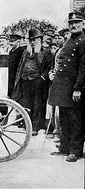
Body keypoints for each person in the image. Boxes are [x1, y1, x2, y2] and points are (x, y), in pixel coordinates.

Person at [48, 11, 85, 162]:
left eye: (77, 22)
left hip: (74, 87)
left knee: (76, 120)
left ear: (83, 24)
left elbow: (83, 67)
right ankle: (65, 148)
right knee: (64, 118)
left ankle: (75, 152)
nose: (74, 25)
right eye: (71, 23)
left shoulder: (83, 40)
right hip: (63, 86)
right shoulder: (69, 40)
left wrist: (78, 88)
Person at [12, 29, 52, 136]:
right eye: (31, 40)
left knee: (37, 104)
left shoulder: (45, 52)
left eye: (35, 40)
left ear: (40, 40)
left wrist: (42, 77)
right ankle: (27, 124)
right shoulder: (26, 52)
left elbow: (49, 66)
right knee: (26, 103)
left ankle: (36, 126)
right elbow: (21, 65)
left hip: (37, 81)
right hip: (25, 80)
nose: (33, 42)